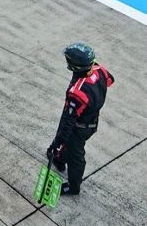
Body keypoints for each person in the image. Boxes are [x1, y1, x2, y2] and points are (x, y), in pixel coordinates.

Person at [46, 43, 114, 195]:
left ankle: (73, 186)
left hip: (80, 126)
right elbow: (110, 80)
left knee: (75, 154)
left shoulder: (77, 93)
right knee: (68, 145)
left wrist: (56, 143)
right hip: (92, 119)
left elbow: (68, 124)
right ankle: (59, 159)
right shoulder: (99, 70)